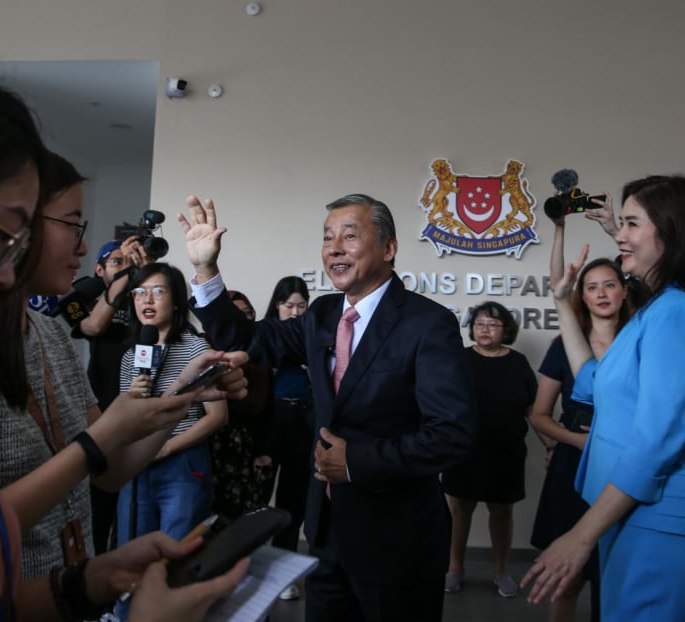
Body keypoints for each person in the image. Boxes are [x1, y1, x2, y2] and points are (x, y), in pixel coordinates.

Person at [0, 43, 248, 621]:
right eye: (10, 229)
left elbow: (108, 473)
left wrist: (181, 396)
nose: (84, 247)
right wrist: (98, 443)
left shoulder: (50, 333)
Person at [179, 193, 477, 621]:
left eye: (349, 236)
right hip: (326, 532)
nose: (334, 248)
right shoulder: (321, 314)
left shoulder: (428, 324)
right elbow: (246, 339)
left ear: (389, 248)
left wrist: (354, 460)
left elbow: (453, 436)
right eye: (327, 237)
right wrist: (206, 269)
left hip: (397, 539)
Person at [521, 176, 685, 621]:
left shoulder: (676, 314)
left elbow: (655, 443)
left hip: (661, 525)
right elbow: (594, 381)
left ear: (672, 232)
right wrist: (563, 303)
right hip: (634, 517)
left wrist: (580, 536)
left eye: (632, 223)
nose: (619, 233)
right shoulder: (658, 310)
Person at [528, 210, 630, 622]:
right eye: (592, 287)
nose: (602, 294)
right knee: (565, 581)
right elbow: (539, 416)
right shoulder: (564, 346)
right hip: (573, 470)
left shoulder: (640, 341)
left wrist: (614, 229)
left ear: (625, 291)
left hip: (626, 470)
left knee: (616, 582)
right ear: (582, 297)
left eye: (610, 285)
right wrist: (579, 442)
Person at [117, 262, 228, 546]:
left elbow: (217, 417)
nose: (147, 300)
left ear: (177, 301)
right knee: (131, 551)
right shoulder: (132, 355)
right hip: (136, 464)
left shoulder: (196, 348)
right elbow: (122, 421)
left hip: (181, 462)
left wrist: (166, 447)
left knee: (176, 552)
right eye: (139, 292)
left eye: (157, 291)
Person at [442, 301, 537, 598]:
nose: (485, 329)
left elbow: (534, 409)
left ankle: (501, 572)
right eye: (480, 324)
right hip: (464, 450)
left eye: (492, 324)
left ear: (506, 330)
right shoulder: (458, 358)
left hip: (505, 451)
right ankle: (454, 568)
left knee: (501, 511)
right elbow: (441, 402)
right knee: (459, 509)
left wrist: (551, 444)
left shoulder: (518, 362)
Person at [72, 236, 150, 553]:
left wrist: (145, 275)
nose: (124, 267)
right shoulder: (85, 293)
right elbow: (92, 327)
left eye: (127, 261)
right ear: (99, 268)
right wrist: (118, 285)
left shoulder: (144, 292)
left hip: (141, 401)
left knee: (136, 503)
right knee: (101, 499)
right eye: (116, 262)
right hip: (100, 405)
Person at [261, 275, 314, 601]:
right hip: (269, 424)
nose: (294, 312)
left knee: (293, 500)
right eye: (288, 305)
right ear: (277, 306)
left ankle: (283, 571)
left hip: (303, 424)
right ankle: (252, 566)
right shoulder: (265, 336)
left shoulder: (313, 336)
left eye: (301, 306)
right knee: (259, 498)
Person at [210, 290, 275, 518]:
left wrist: (264, 451)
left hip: (250, 447)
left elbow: (267, 410)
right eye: (236, 314)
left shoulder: (263, 358)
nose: (242, 319)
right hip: (214, 447)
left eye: (247, 313)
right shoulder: (209, 355)